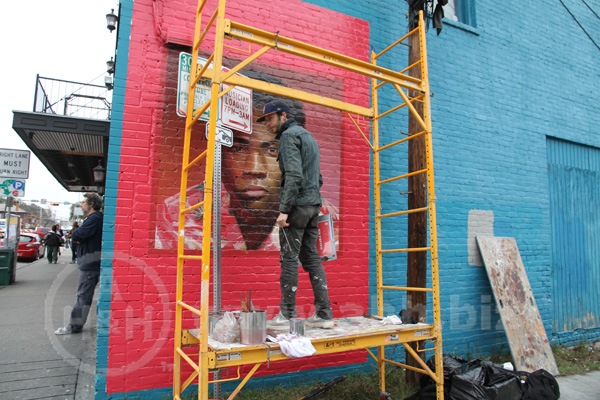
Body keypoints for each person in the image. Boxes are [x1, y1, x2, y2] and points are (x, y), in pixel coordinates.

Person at [259, 100, 334, 329]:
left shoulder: (289, 137)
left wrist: (284, 210)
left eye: (270, 119)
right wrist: (314, 200)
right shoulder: (307, 137)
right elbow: (317, 177)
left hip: (297, 208)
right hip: (312, 206)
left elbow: (293, 175)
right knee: (311, 258)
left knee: (289, 258)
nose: (268, 124)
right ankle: (324, 315)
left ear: (283, 115)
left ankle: (287, 315)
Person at [55, 193, 103, 335]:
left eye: (84, 202)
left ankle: (74, 326)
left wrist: (76, 236)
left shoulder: (94, 218)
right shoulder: (93, 218)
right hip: (89, 262)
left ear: (91, 204)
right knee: (83, 295)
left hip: (90, 264)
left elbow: (77, 235)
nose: (82, 204)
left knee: (83, 296)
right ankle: (75, 325)